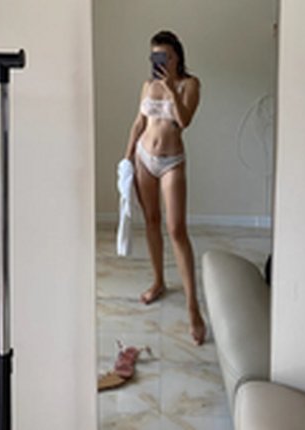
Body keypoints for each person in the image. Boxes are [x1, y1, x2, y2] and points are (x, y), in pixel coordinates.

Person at [123, 30, 206, 346]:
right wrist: (127, 158)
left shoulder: (190, 84)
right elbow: (139, 122)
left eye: (167, 56)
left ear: (177, 56)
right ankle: (158, 281)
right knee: (151, 221)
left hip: (171, 162)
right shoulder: (147, 85)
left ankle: (193, 307)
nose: (162, 61)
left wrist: (171, 88)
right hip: (143, 157)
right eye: (156, 56)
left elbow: (184, 121)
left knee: (177, 230)